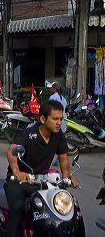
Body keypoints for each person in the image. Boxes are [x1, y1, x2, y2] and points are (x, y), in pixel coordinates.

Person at [5, 100, 78, 237]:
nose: (59, 123)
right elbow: (11, 151)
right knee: (18, 207)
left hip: (43, 182)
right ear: (43, 119)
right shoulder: (28, 133)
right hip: (19, 181)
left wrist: (67, 177)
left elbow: (63, 159)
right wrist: (17, 171)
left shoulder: (58, 136)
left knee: (62, 207)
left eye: (61, 119)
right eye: (55, 119)